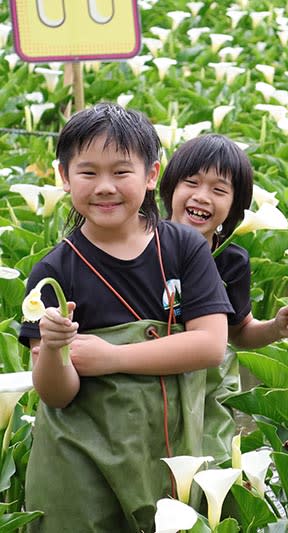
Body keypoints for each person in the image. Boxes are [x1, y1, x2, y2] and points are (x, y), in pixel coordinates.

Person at [18, 103, 233, 533]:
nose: (105, 187)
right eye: (87, 172)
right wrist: (55, 351)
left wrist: (112, 356)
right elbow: (56, 396)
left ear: (152, 175)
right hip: (81, 457)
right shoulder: (52, 274)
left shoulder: (183, 249)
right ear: (63, 177)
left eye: (121, 172)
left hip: (171, 443)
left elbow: (210, 346)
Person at [159, 134, 288, 462]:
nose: (202, 197)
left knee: (210, 467)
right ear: (169, 187)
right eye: (192, 182)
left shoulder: (232, 261)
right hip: (149, 384)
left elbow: (239, 332)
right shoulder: (143, 245)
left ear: (234, 207)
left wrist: (277, 328)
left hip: (208, 392)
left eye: (219, 190)